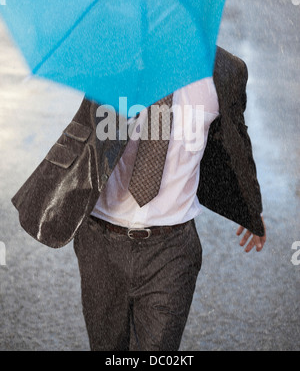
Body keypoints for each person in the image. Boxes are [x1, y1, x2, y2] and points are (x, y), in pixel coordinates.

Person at [12, 46, 266, 351]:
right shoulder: (117, 56)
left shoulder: (225, 71)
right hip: (101, 245)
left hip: (172, 252)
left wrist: (251, 207)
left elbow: (235, 141)